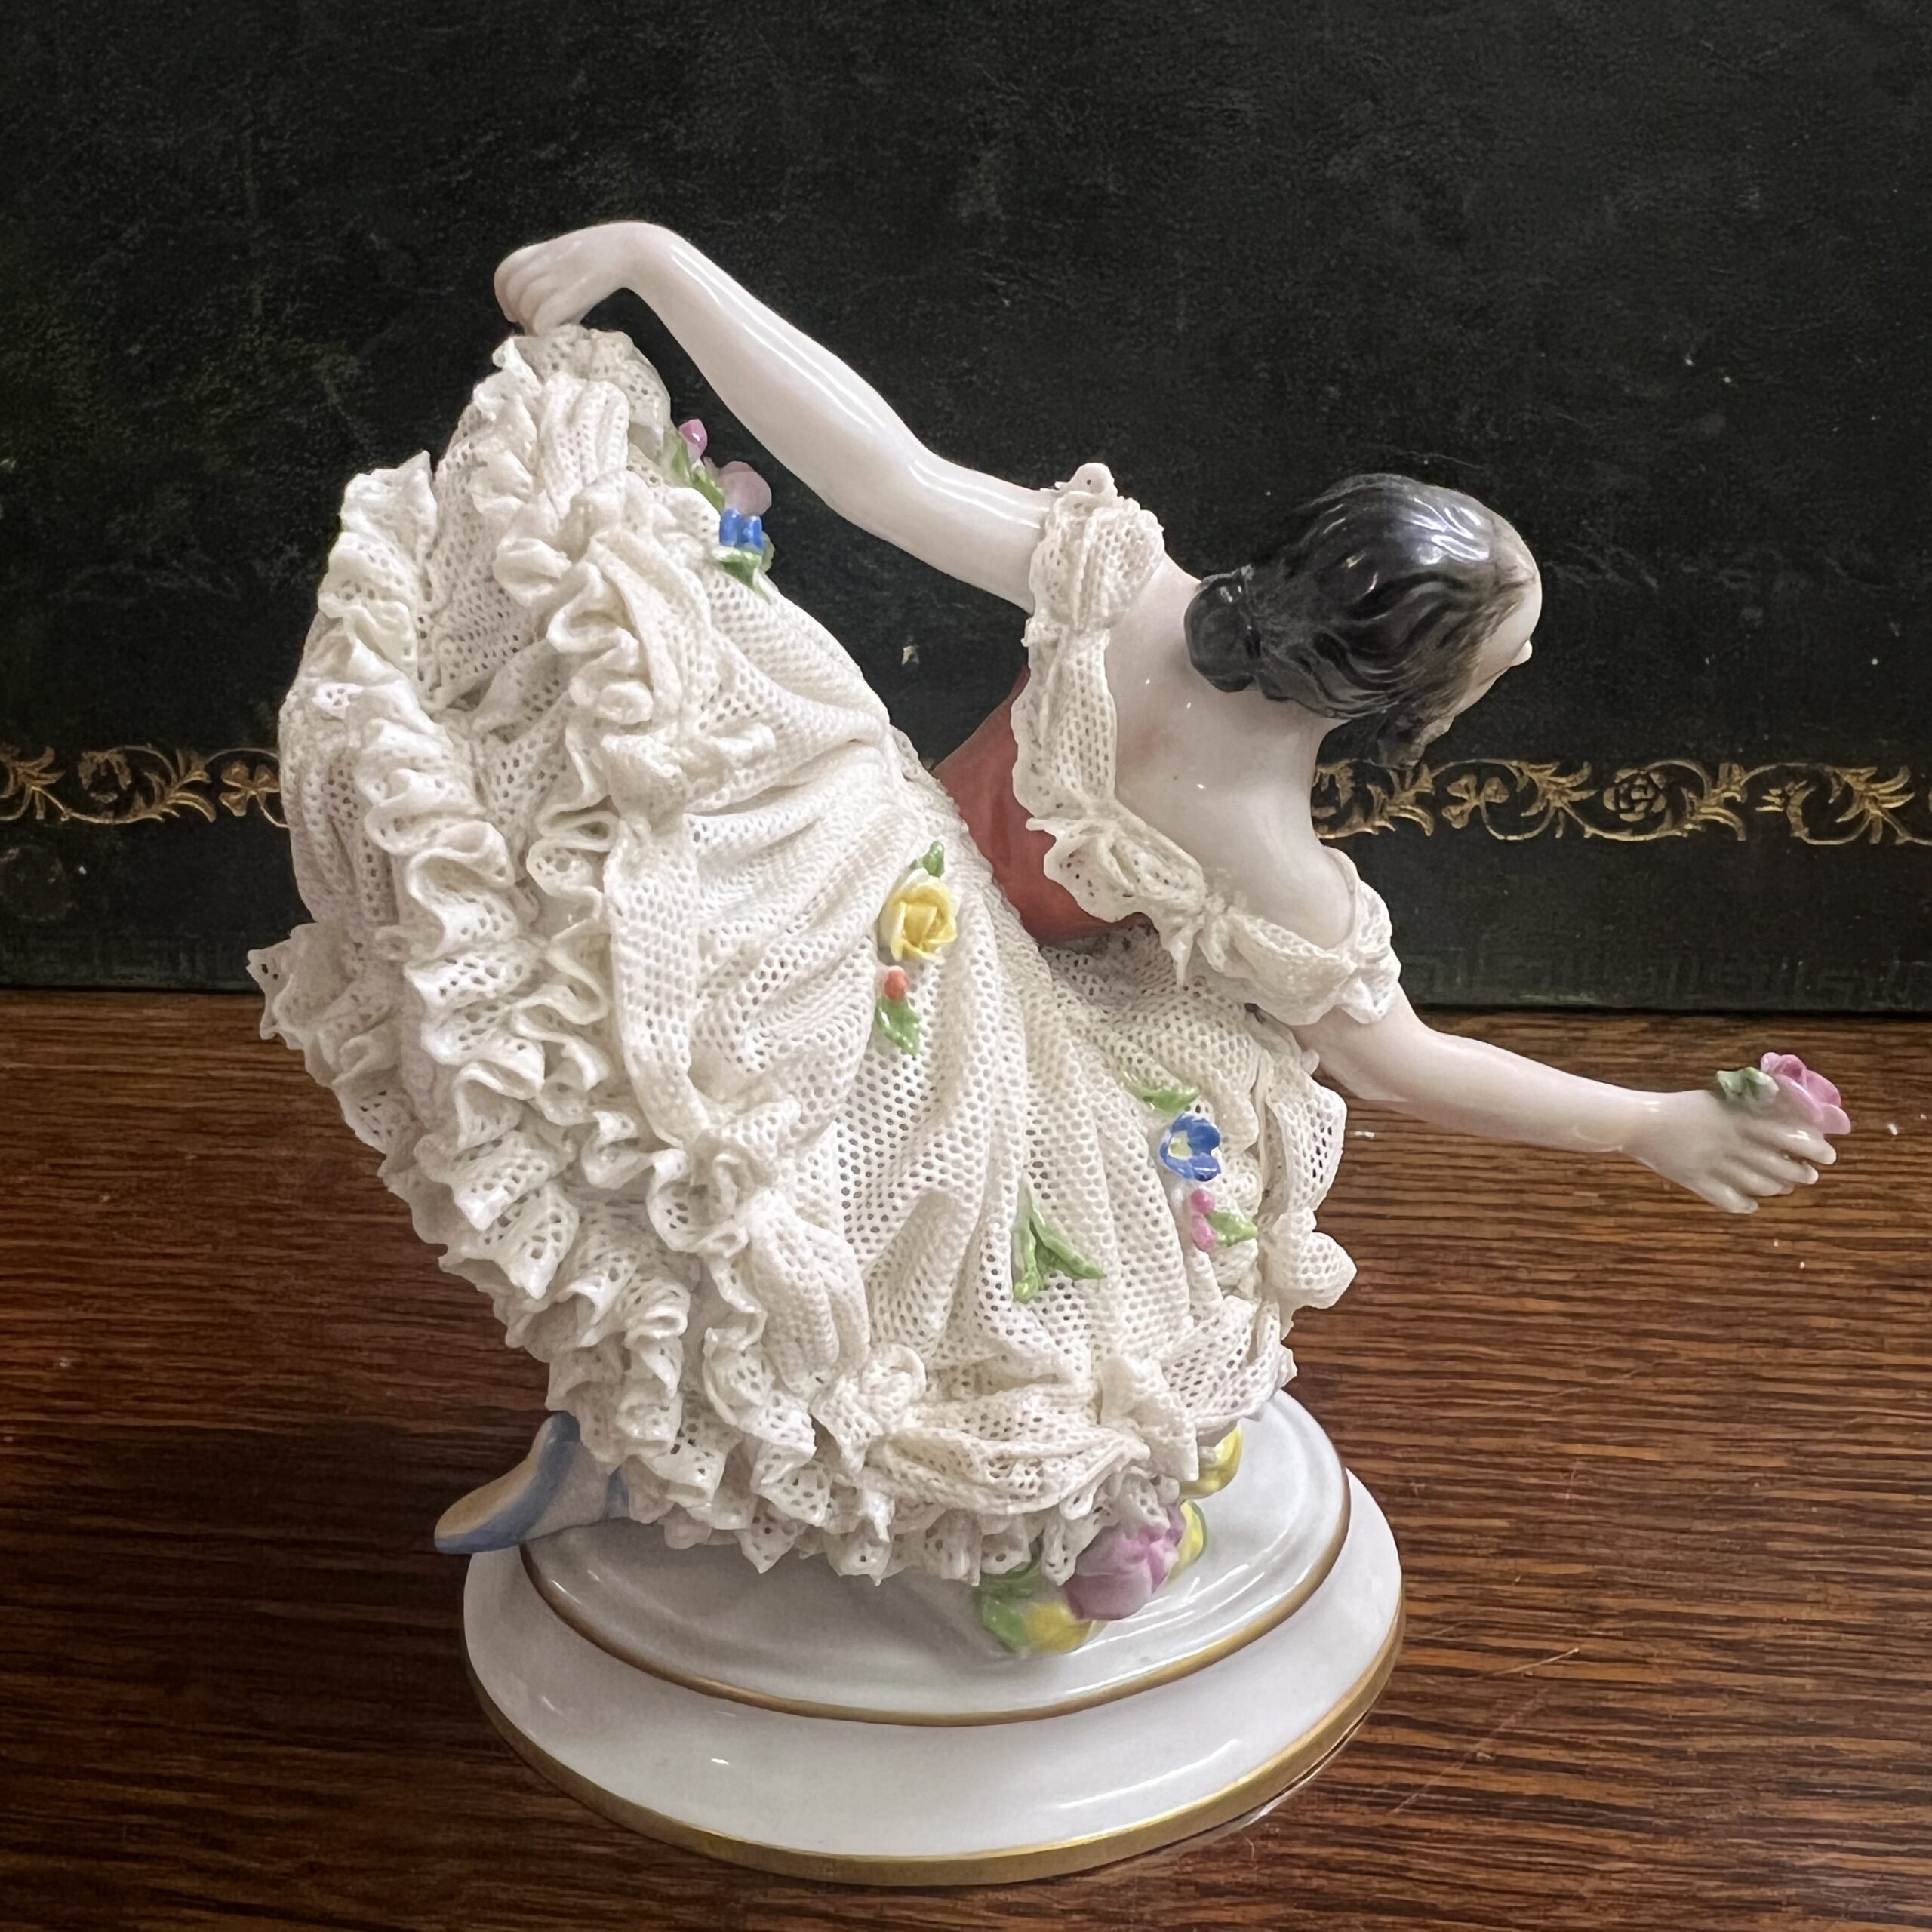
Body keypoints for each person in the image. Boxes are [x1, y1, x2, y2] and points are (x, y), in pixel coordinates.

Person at [253, 223, 1847, 1601]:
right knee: (942, 1262)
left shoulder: (1124, 587)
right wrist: (1644, 1123)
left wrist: (658, 264)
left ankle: (618, 1437)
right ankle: (662, 1449)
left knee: (686, 1151)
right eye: (1503, 657)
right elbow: (1400, 1062)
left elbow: (875, 467)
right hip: (949, 997)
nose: (1515, 668)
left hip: (845, 862)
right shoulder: (1261, 842)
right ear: (1410, 694)